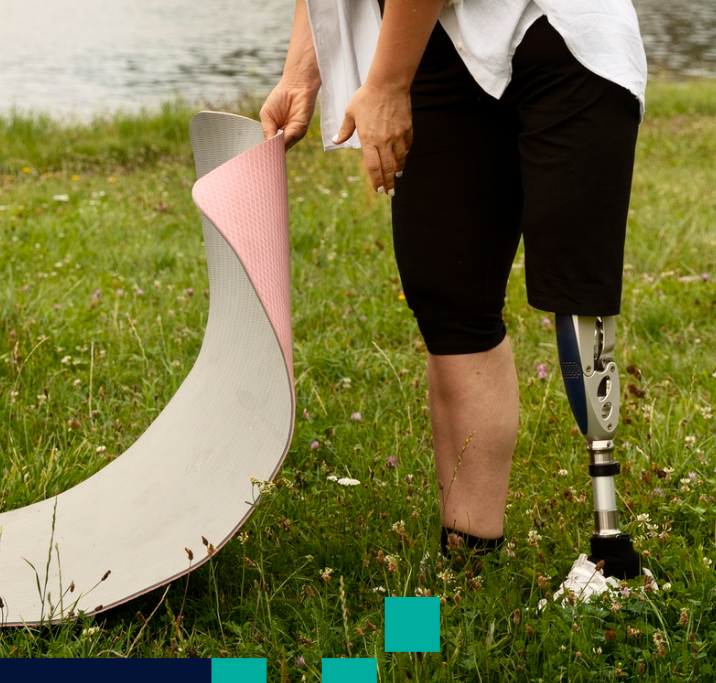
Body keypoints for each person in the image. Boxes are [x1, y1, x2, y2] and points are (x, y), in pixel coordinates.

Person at [261, 0, 652, 599]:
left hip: (562, 35)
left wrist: (387, 84)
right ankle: (468, 565)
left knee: (574, 290)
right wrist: (300, 72)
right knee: (447, 293)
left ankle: (612, 557)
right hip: (436, 38)